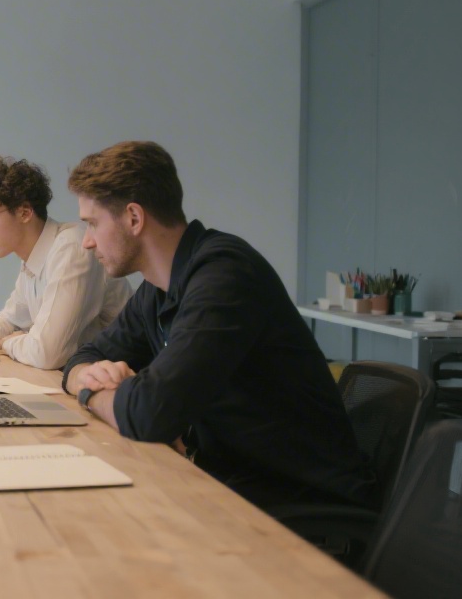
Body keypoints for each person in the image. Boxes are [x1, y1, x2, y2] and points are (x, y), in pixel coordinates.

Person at [61, 141, 376, 512]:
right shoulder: (157, 289)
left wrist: (91, 394)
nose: (86, 242)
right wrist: (89, 376)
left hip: (296, 504)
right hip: (228, 482)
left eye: (93, 223)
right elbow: (83, 357)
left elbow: (151, 414)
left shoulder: (225, 276)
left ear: (133, 218)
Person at [0, 156, 131, 370]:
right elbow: (11, 322)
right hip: (88, 378)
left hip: (122, 383)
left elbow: (47, 354)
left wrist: (8, 343)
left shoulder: (71, 247)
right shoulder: (33, 256)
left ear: (25, 212)